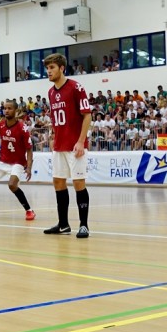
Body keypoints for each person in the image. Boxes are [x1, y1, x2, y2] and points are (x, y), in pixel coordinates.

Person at [43, 53, 93, 238]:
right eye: (47, 68)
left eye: (52, 68)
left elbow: (87, 115)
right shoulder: (50, 92)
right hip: (59, 145)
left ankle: (84, 225)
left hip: (75, 145)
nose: (48, 71)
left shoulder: (75, 87)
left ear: (62, 68)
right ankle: (63, 224)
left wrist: (81, 141)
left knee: (78, 182)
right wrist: (54, 137)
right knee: (58, 181)